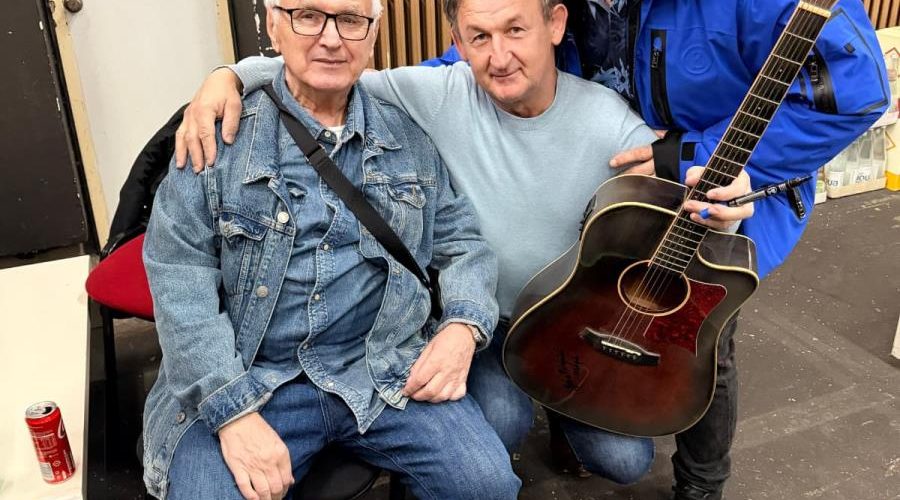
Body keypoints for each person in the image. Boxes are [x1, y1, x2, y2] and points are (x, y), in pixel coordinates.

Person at [173, 0, 755, 488]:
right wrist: (226, 77)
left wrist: (719, 214)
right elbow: (324, 67)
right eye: (479, 37)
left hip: (569, 326)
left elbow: (677, 223)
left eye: (516, 30)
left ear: (555, 24)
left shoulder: (609, 124)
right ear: (457, 42)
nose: (498, 57)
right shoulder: (436, 97)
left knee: (623, 461)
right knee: (497, 423)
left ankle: (563, 416)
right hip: (482, 326)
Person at [140, 0, 522, 498]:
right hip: (251, 377)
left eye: (350, 20)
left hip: (382, 368)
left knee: (487, 486)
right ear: (274, 25)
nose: (331, 38)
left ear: (373, 33)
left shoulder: (407, 136)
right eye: (308, 15)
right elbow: (178, 276)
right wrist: (232, 411)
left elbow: (462, 242)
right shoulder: (218, 139)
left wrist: (463, 325)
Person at [552, 0, 890, 498]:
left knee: (701, 342)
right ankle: (573, 416)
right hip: (600, 180)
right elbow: (492, 30)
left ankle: (701, 484)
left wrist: (693, 154)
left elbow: (853, 92)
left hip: (711, 186)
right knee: (579, 299)